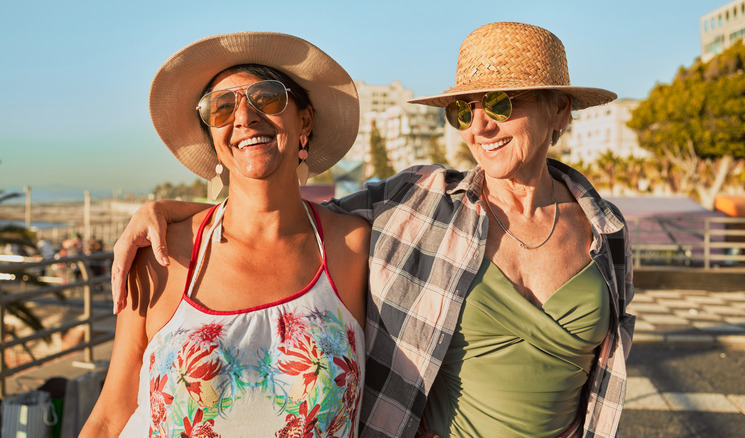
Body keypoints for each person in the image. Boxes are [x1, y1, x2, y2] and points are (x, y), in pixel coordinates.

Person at [110, 22, 635, 438]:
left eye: (500, 104)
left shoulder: (605, 230)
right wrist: (170, 210)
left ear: (560, 109)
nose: (480, 126)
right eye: (464, 110)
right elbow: (277, 209)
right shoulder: (420, 203)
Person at [82, 31, 369, 437]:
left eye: (267, 98)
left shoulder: (354, 249)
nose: (244, 117)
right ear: (214, 141)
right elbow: (111, 416)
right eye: (221, 107)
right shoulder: (160, 258)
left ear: (304, 120)